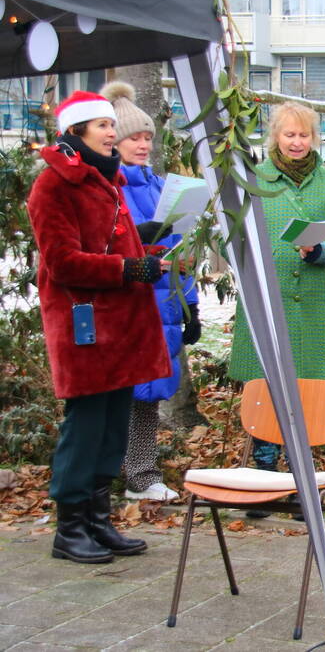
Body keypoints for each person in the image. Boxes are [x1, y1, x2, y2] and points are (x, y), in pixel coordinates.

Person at [28, 91, 170, 563]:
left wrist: (149, 257)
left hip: (123, 328)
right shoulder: (53, 186)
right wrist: (130, 270)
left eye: (113, 126)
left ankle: (98, 519)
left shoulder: (103, 179)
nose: (114, 134)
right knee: (85, 428)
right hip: (84, 331)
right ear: (76, 132)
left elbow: (112, 248)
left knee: (111, 429)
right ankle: (70, 528)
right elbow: (63, 262)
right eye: (103, 126)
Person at [227, 101, 325, 518]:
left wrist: (321, 250)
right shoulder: (256, 180)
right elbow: (234, 237)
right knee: (268, 388)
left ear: (313, 139)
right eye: (289, 135)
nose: (297, 142)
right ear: (275, 138)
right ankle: (264, 480)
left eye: (304, 135)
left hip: (314, 303)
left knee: (308, 392)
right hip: (270, 299)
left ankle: (303, 482)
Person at [101, 81, 198, 503]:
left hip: (162, 304)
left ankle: (142, 473)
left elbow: (183, 248)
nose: (142, 145)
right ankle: (115, 475)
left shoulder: (161, 186)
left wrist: (190, 304)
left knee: (148, 395)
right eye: (133, 138)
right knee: (119, 396)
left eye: (146, 137)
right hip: (126, 304)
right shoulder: (110, 188)